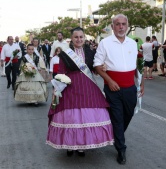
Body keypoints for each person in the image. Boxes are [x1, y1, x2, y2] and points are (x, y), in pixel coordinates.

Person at [46, 27, 114, 157]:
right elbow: (60, 72)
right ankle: (70, 145)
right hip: (71, 88)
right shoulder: (65, 54)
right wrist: (57, 88)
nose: (79, 39)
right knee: (71, 117)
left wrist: (102, 67)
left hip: (88, 87)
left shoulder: (90, 52)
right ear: (71, 39)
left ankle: (81, 146)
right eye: (76, 37)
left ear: (84, 38)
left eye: (81, 37)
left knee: (88, 114)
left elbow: (94, 69)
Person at [93, 14, 144, 164]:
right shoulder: (105, 43)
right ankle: (121, 149)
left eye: (123, 24)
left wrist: (141, 83)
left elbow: (136, 65)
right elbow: (97, 64)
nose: (121, 27)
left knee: (127, 115)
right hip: (112, 89)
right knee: (117, 118)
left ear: (127, 26)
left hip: (130, 88)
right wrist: (109, 81)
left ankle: (117, 135)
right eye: (118, 24)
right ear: (112, 26)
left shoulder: (132, 43)